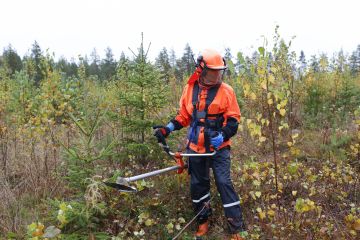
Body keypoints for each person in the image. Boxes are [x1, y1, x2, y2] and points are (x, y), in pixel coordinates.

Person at [154, 49, 246, 239]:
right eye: (213, 72)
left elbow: (233, 121)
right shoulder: (189, 89)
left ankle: (236, 228)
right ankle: (203, 221)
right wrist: (168, 128)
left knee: (223, 182)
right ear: (202, 70)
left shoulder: (227, 91)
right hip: (195, 147)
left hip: (218, 148)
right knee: (198, 185)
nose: (217, 76)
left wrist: (223, 135)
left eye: (220, 72)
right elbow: (183, 116)